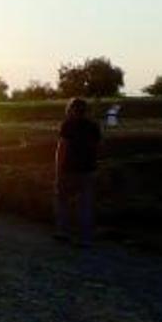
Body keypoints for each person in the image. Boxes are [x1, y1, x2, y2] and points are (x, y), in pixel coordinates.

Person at [54, 97, 102, 247]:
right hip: (88, 169)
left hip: (69, 169)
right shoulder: (94, 126)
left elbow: (62, 148)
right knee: (85, 205)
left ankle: (63, 231)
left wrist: (57, 169)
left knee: (63, 201)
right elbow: (98, 147)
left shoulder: (68, 125)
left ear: (71, 110)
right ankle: (85, 238)